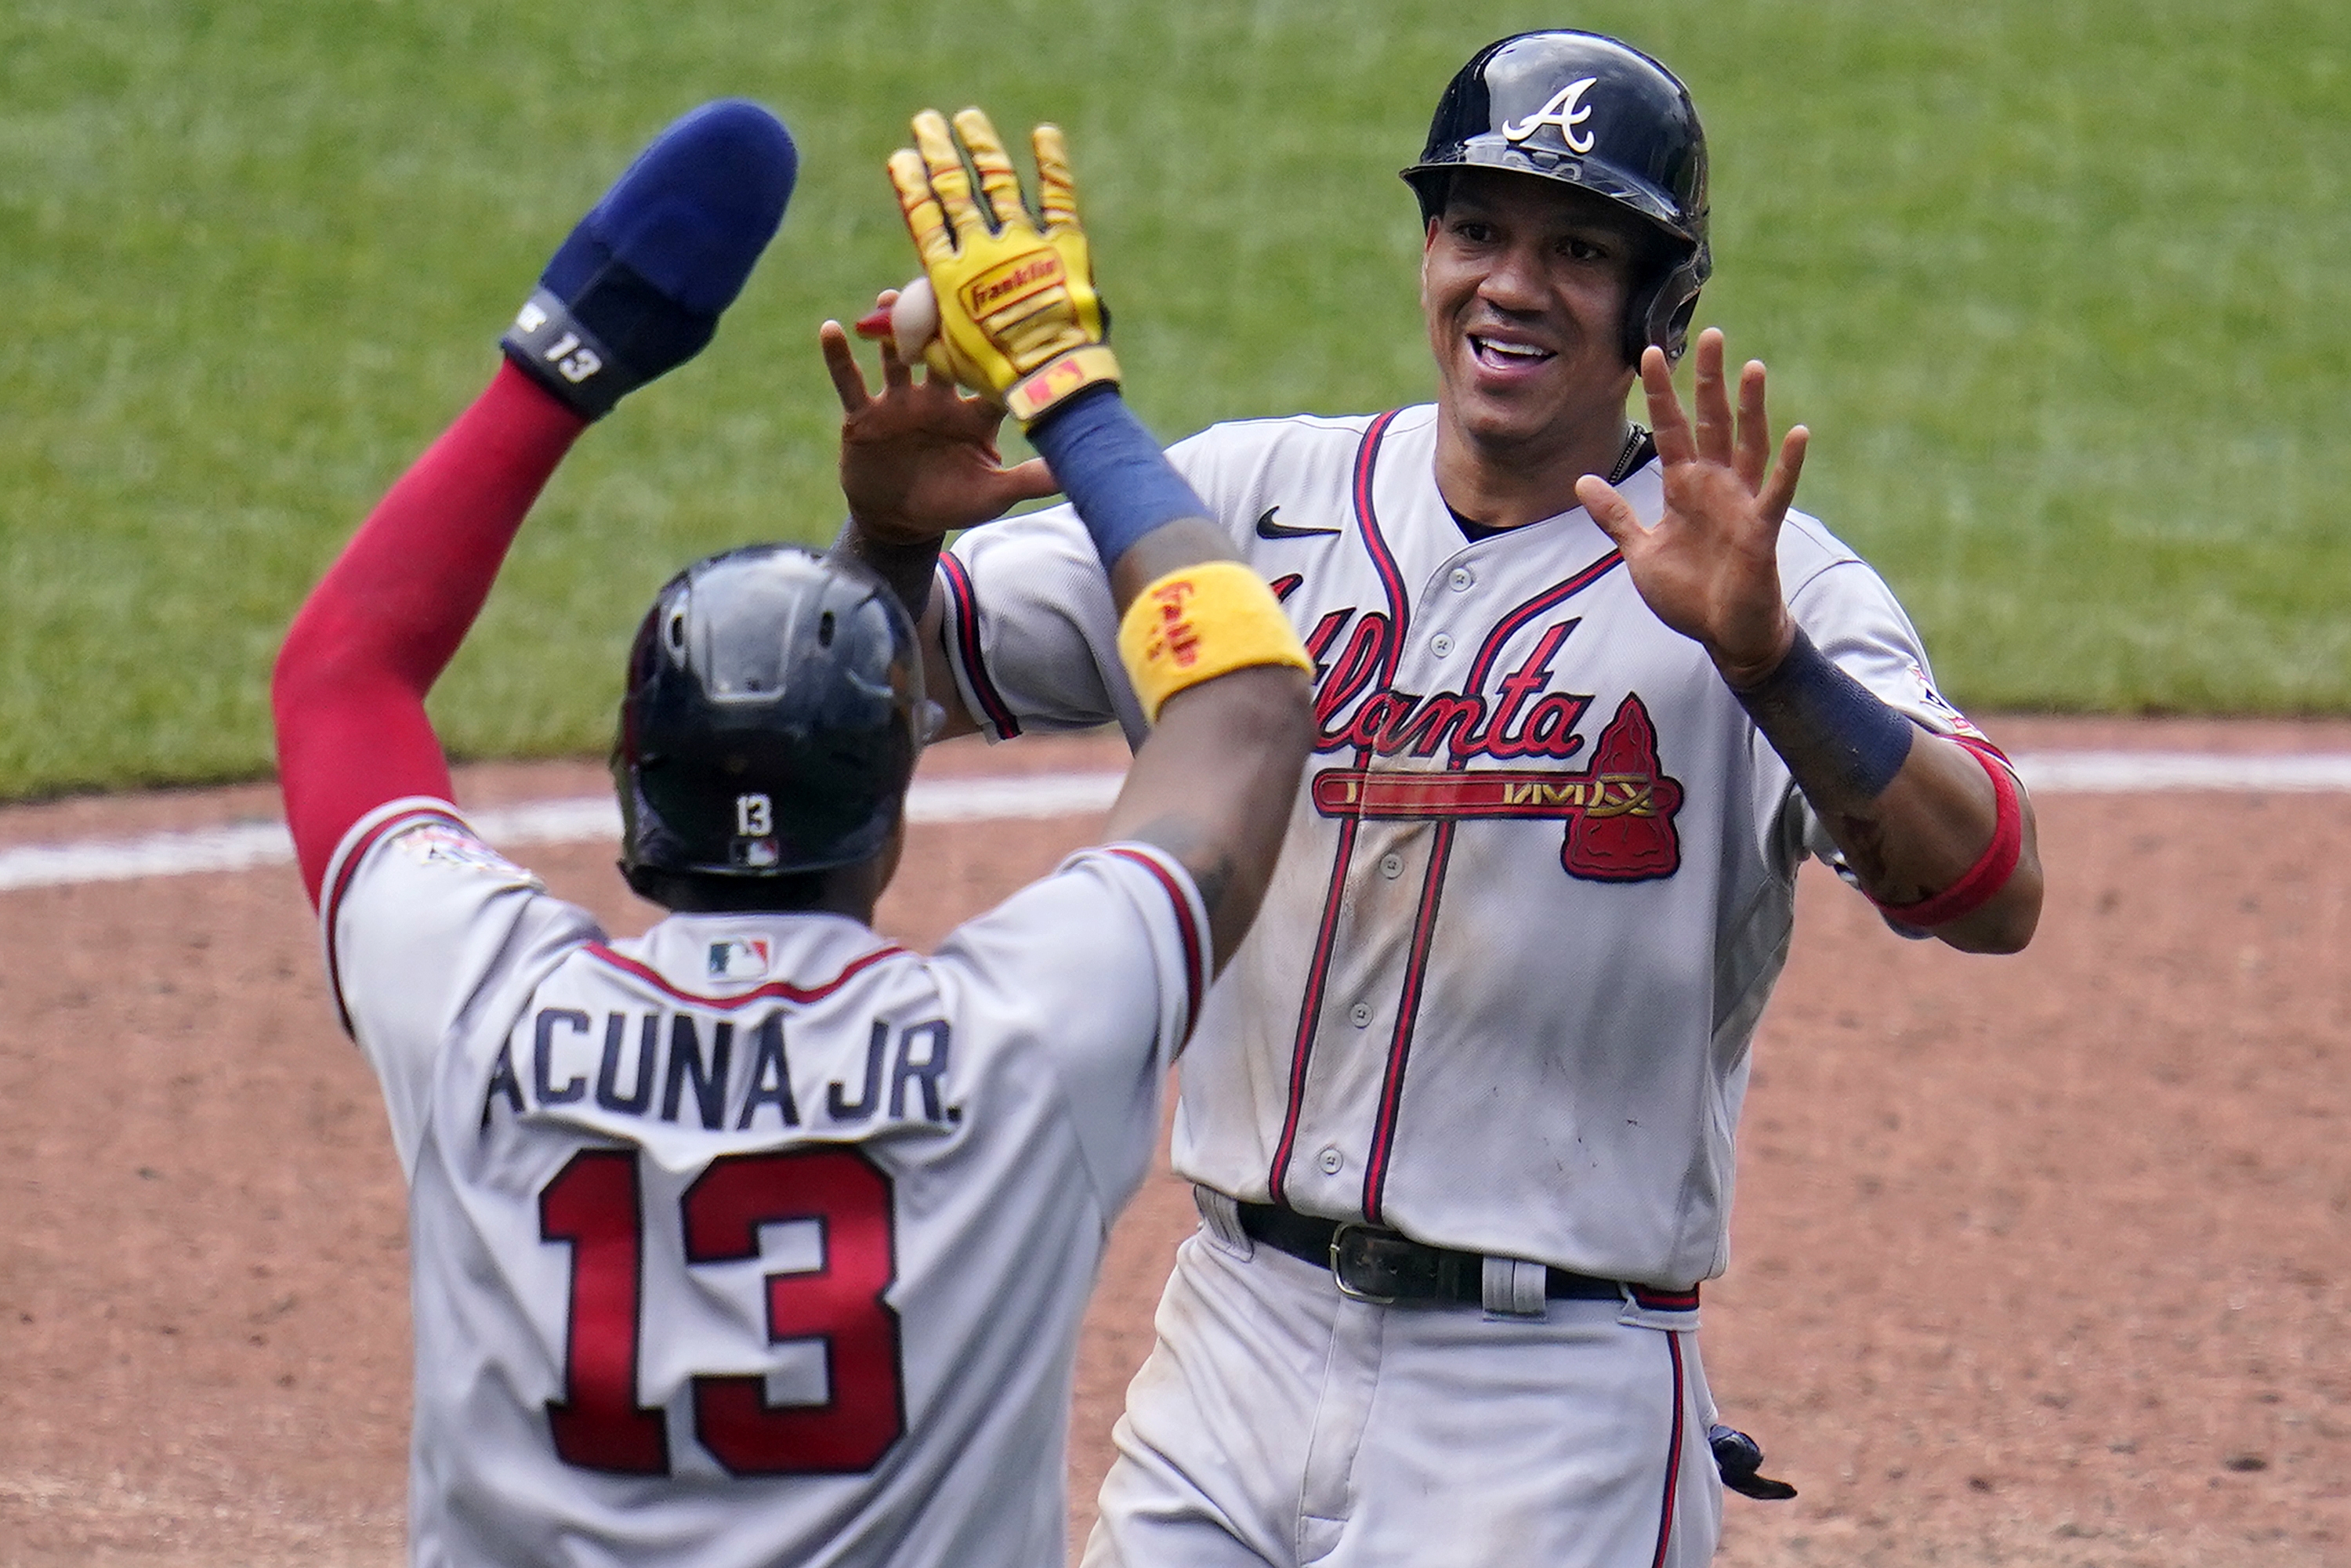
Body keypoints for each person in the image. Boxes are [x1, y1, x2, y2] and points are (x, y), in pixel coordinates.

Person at [842, 31, 2046, 1567]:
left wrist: (1774, 665)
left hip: (1548, 1406)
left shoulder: (1767, 577)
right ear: (1427, 247)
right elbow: (837, 713)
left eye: (1580, 249)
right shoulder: (1248, 500)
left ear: (1661, 299)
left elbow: (1992, 883)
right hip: (1234, 1340)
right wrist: (881, 542)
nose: (1514, 286)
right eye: (1478, 230)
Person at [271, 98, 1313, 1566]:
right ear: (893, 802)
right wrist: (1070, 389)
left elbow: (340, 672)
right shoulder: (1022, 1041)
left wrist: (562, 366)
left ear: (634, 784)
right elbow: (1250, 704)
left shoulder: (478, 1006)